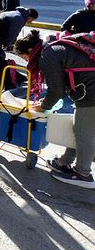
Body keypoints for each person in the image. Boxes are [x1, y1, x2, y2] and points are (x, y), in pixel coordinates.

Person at [30, 31, 95, 188]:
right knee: (79, 129)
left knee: (84, 133)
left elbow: (57, 90)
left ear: (29, 53)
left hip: (91, 93)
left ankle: (83, 173)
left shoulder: (49, 54)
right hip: (89, 89)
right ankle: (64, 162)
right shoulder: (62, 46)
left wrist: (44, 106)